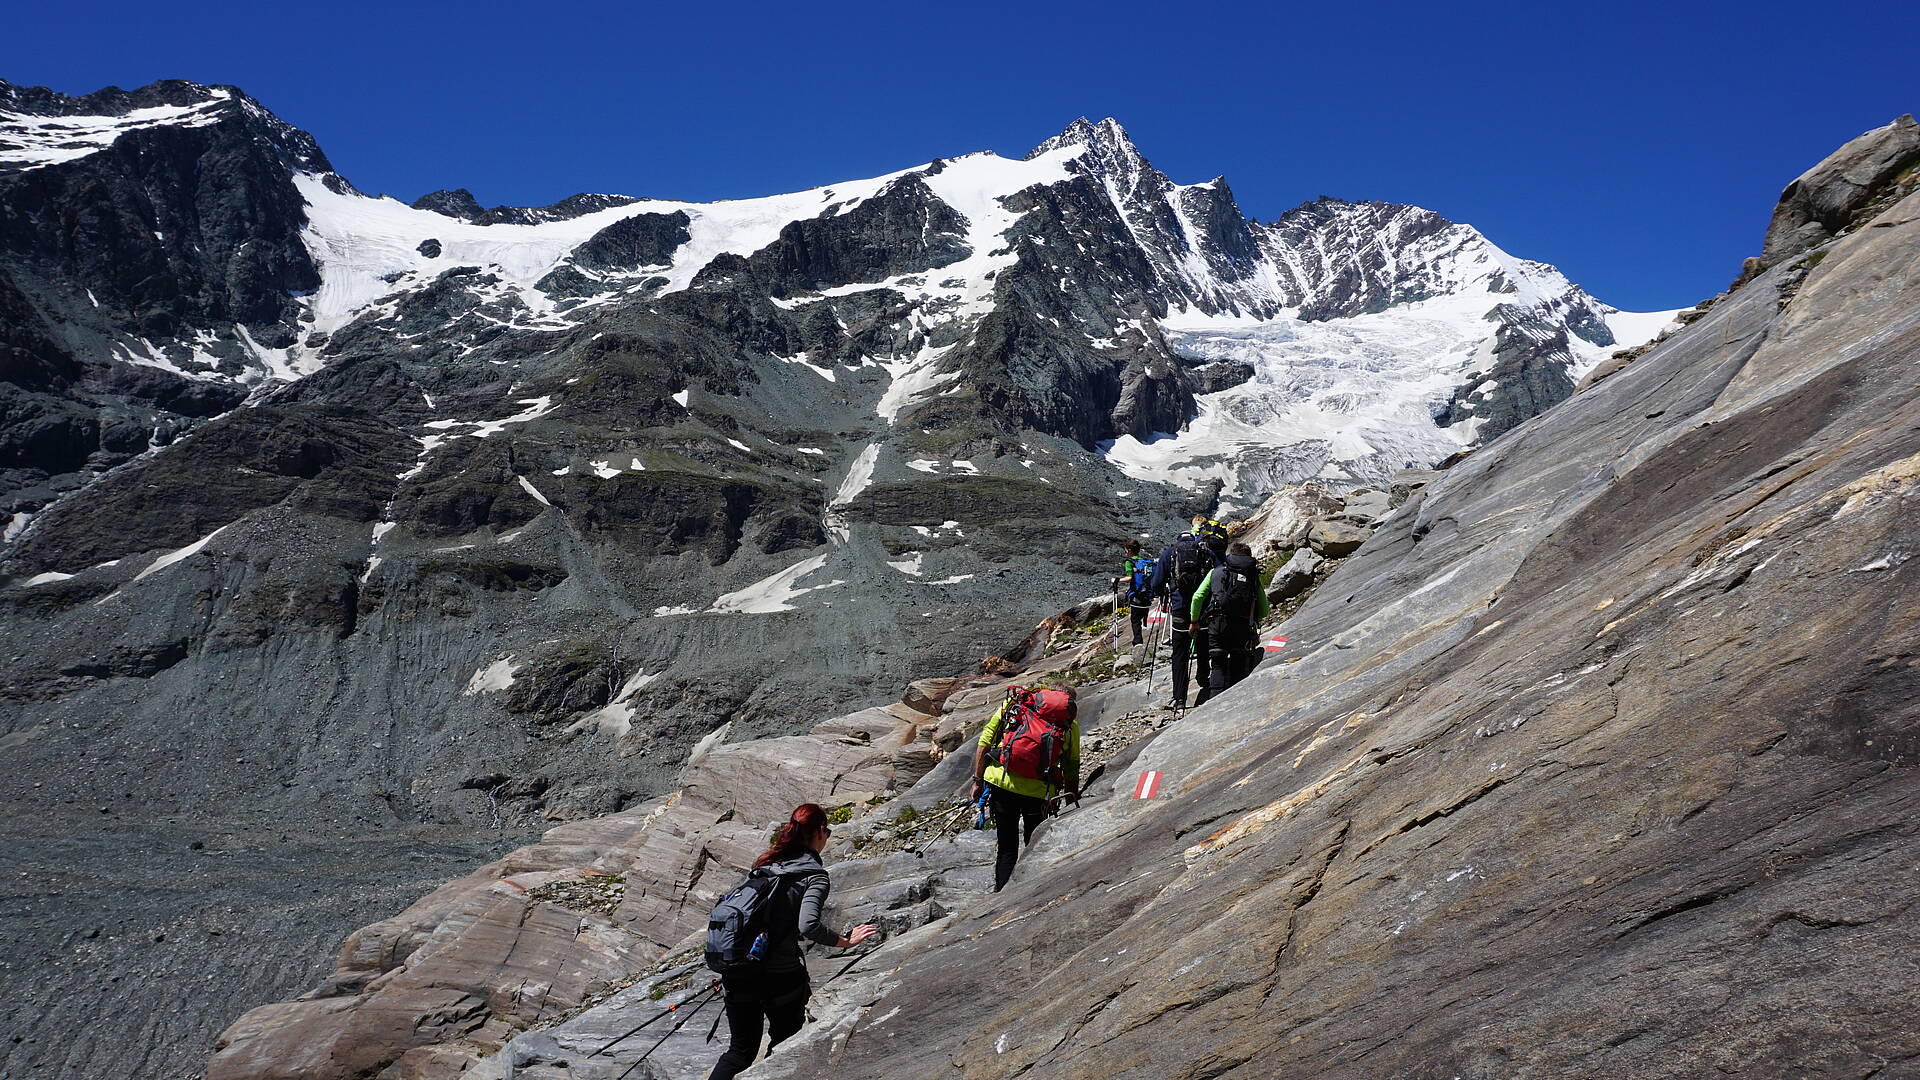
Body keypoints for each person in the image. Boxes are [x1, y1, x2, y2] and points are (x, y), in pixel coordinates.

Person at [709, 804, 878, 1080]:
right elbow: (808, 924)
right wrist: (845, 942)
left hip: (738, 972)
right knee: (785, 1045)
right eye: (828, 831)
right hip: (780, 976)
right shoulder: (813, 875)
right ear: (821, 831)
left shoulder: (766, 866)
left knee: (739, 1052)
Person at [970, 687, 1080, 891]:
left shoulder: (1014, 706)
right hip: (1038, 792)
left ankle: (1001, 894)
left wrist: (977, 780)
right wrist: (1070, 801)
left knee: (1007, 847)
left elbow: (985, 742)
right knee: (1034, 844)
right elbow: (1071, 765)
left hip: (1002, 783)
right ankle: (1030, 892)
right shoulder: (1069, 726)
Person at [1147, 529, 1219, 709]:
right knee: (1203, 644)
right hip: (1203, 608)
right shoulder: (1205, 551)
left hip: (1179, 609)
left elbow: (1156, 584)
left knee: (1179, 653)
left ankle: (1179, 697)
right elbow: (1219, 573)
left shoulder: (1169, 554)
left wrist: (1166, 590)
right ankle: (1203, 678)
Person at [1189, 541, 1270, 701]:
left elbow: (1197, 597)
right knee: (1238, 664)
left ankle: (1214, 701)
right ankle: (1236, 703)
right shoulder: (1252, 576)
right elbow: (1264, 610)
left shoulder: (1215, 572)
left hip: (1217, 625)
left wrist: (1194, 621)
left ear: (1230, 555)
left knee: (1218, 664)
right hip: (1242, 627)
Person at [1117, 539, 1157, 646]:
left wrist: (1116, 580)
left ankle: (1138, 642)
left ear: (1129, 550)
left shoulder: (1129, 562)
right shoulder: (1146, 561)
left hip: (1136, 595)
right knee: (1142, 617)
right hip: (1147, 596)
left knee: (1135, 620)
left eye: (1126, 550)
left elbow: (1129, 578)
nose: (1125, 552)